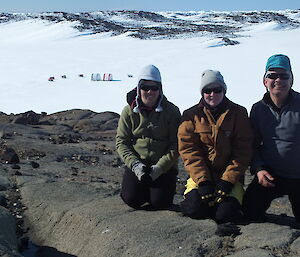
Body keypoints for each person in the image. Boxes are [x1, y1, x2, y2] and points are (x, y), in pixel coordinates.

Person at [178, 69, 253, 224]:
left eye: (217, 89)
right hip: (200, 177)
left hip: (230, 179)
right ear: (202, 93)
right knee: (194, 208)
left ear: (223, 90)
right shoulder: (190, 115)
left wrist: (227, 181)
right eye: (207, 90)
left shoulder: (239, 113)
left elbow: (243, 151)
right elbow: (189, 152)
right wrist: (203, 181)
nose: (212, 94)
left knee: (225, 214)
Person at [243, 54, 300, 223]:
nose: (278, 80)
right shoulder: (258, 109)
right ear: (265, 81)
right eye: (272, 75)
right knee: (249, 210)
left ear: (291, 80)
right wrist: (259, 168)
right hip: (271, 174)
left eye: (284, 76)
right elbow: (252, 144)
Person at [116, 65, 181, 210]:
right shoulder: (129, 111)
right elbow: (122, 141)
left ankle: (152, 190)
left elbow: (176, 145)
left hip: (163, 168)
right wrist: (135, 165)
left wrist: (159, 168)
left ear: (160, 89)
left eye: (154, 88)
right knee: (132, 200)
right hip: (138, 165)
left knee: (160, 203)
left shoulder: (171, 112)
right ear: (139, 89)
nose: (150, 92)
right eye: (145, 87)